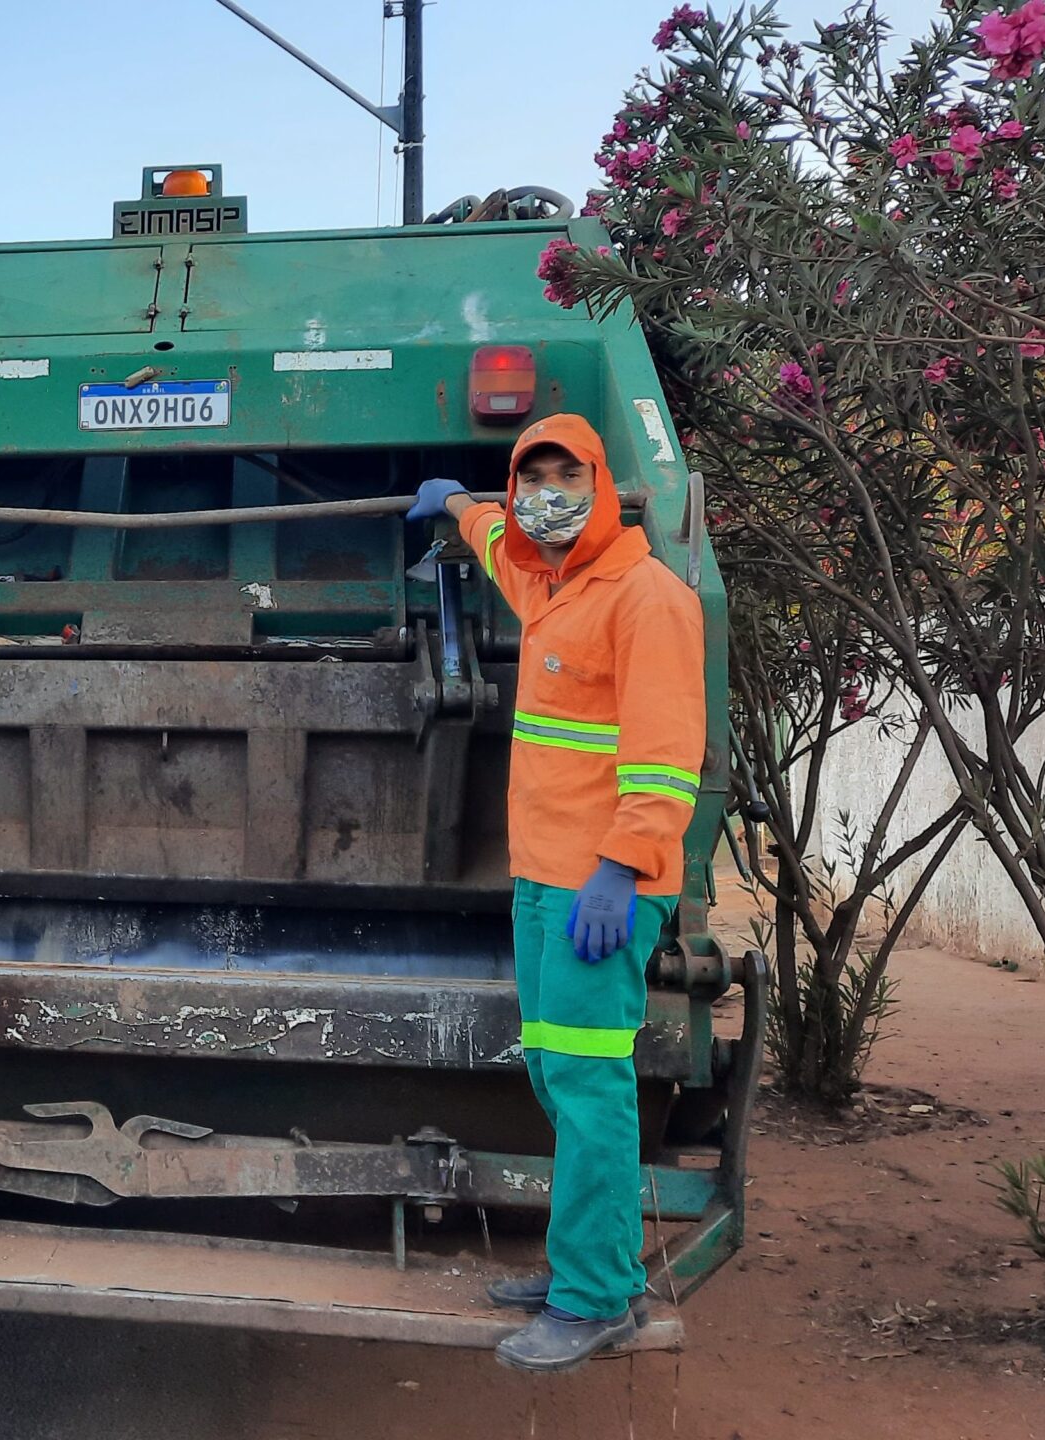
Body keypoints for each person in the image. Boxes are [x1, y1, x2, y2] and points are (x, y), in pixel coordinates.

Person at [407, 413, 707, 1373]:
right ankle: (593, 1261)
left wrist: (622, 870)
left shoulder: (645, 597)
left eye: (563, 477)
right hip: (545, 882)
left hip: (601, 891)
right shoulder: (547, 582)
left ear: (598, 481)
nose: (544, 496)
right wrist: (456, 504)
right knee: (551, 1071)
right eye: (528, 478)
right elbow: (497, 537)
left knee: (587, 1085)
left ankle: (594, 1299)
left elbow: (666, 757)